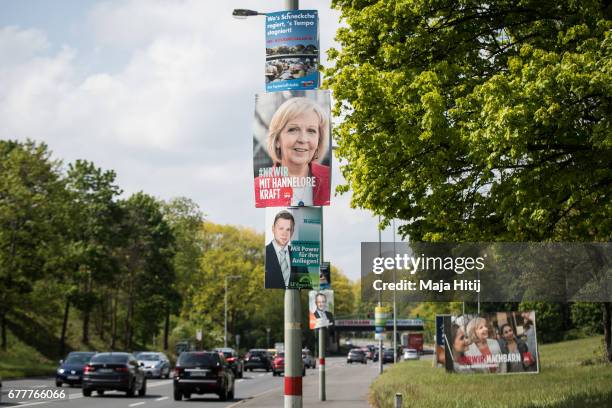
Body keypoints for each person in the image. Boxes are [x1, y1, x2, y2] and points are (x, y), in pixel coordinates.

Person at [254, 97, 330, 207]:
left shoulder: (330, 178)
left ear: (319, 140)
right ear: (277, 140)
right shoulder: (258, 187)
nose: (303, 139)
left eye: (311, 131)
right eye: (293, 130)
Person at [265, 211, 308, 289]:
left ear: (292, 232)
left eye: (288, 229)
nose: (284, 233)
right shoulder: (263, 254)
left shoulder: (299, 256)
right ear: (273, 229)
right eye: (281, 228)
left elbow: (306, 286)